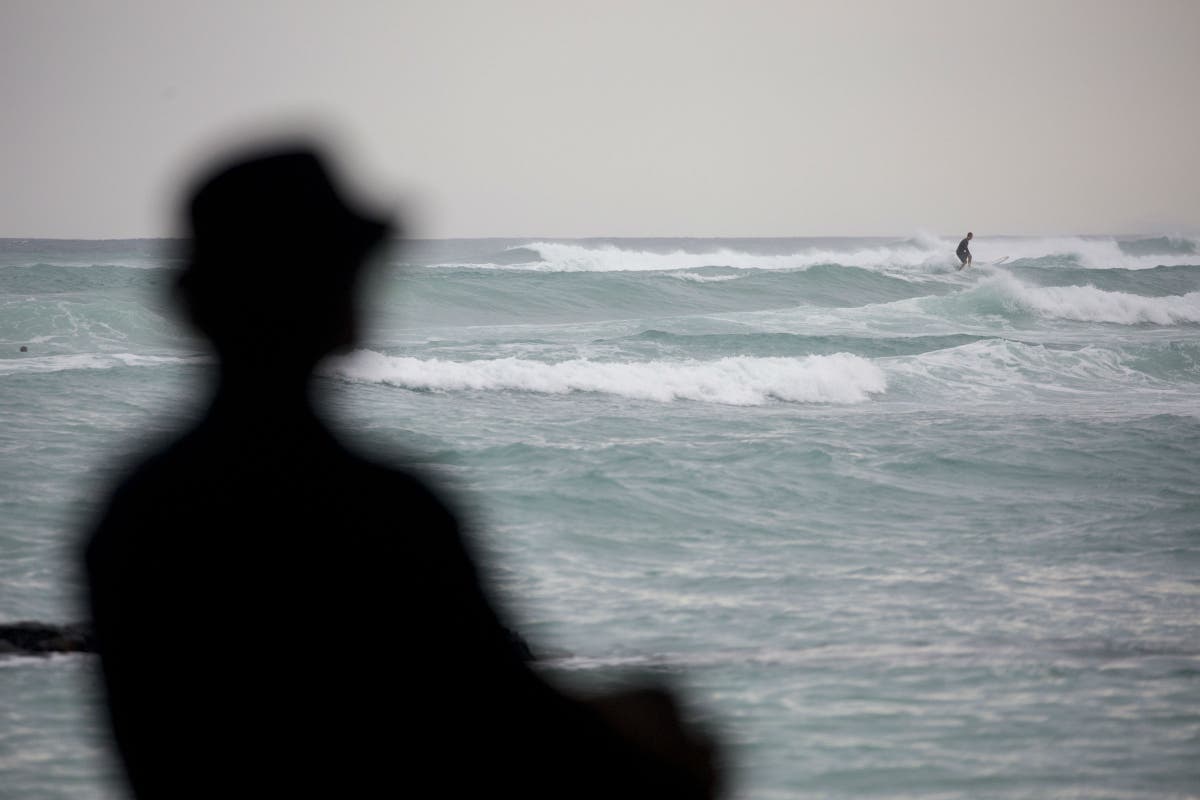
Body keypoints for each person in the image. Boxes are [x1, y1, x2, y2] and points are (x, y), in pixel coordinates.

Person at [82, 144, 720, 799]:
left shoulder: (135, 507)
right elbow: (513, 731)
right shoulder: (384, 507)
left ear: (188, 303)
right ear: (347, 307)